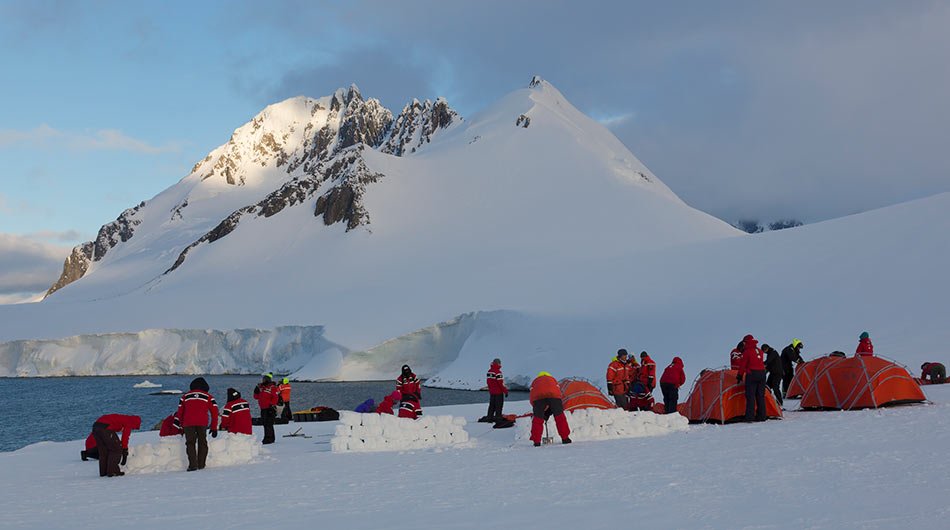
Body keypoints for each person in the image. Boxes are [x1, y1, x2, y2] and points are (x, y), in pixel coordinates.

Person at [176, 377, 218, 471]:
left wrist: (181, 425)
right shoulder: (208, 396)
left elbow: (180, 412)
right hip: (202, 422)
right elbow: (214, 412)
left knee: (190, 443)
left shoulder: (185, 396)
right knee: (202, 442)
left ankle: (192, 465)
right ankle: (201, 464)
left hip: (188, 423)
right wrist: (214, 427)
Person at [529, 371, 571, 446]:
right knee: (560, 418)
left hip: (538, 399)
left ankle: (536, 441)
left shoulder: (535, 381)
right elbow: (558, 392)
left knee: (537, 420)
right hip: (555, 398)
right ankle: (565, 438)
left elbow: (532, 395)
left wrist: (537, 409)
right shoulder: (552, 379)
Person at [736, 334, 767, 422]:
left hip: (752, 374)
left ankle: (750, 417)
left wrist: (739, 376)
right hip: (762, 374)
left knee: (750, 396)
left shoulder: (747, 352)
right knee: (760, 396)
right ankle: (762, 416)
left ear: (745, 342)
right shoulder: (760, 351)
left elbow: (743, 365)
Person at [254, 372, 279, 444]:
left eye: (264, 380)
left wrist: (272, 405)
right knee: (265, 423)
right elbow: (256, 397)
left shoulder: (272, 387)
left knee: (269, 423)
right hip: (263, 408)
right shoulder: (261, 388)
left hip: (269, 408)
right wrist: (256, 391)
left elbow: (275, 397)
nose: (263, 381)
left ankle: (269, 438)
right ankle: (268, 437)